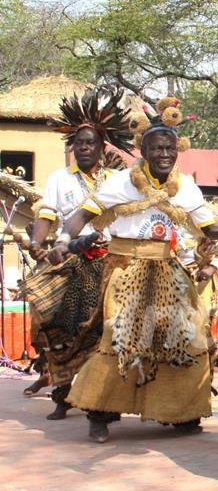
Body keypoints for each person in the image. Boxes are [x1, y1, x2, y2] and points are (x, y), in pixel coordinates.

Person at [53, 97, 218, 442]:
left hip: (169, 269)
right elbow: (83, 215)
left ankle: (181, 412)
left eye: (170, 148)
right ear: (143, 151)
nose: (164, 154)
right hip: (125, 268)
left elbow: (211, 230)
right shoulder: (122, 182)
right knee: (120, 340)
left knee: (183, 338)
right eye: (157, 148)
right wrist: (61, 240)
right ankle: (100, 413)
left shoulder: (186, 187)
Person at [21, 86, 133, 420]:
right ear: (72, 146)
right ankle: (63, 394)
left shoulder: (119, 179)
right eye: (79, 143)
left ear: (102, 147)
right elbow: (47, 215)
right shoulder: (59, 178)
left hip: (111, 262)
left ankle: (104, 399)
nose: (84, 147)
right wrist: (40, 245)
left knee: (106, 331)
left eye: (91, 143)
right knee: (64, 330)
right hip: (72, 262)